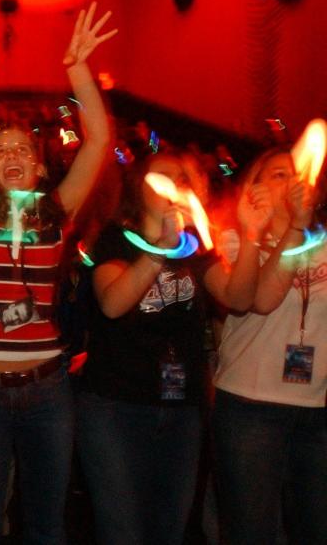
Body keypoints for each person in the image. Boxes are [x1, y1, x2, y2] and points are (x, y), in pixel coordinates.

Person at [0, 1, 115, 544]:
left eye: (23, 149)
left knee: (46, 527)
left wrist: (77, 69)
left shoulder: (54, 214)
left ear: (38, 167)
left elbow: (99, 141)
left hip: (48, 390)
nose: (12, 153)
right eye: (0, 151)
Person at [78, 151, 267, 545]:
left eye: (180, 178)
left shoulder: (195, 247)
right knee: (122, 531)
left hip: (181, 409)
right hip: (116, 406)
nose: (172, 185)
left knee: (168, 529)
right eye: (159, 177)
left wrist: (250, 236)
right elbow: (113, 304)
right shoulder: (117, 238)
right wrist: (160, 247)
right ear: (138, 189)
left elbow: (239, 298)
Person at [212, 148, 327, 544]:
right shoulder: (232, 241)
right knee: (252, 532)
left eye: (297, 173)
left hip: (317, 410)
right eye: (279, 174)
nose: (292, 181)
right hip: (252, 408)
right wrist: (290, 230)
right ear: (253, 189)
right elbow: (256, 300)